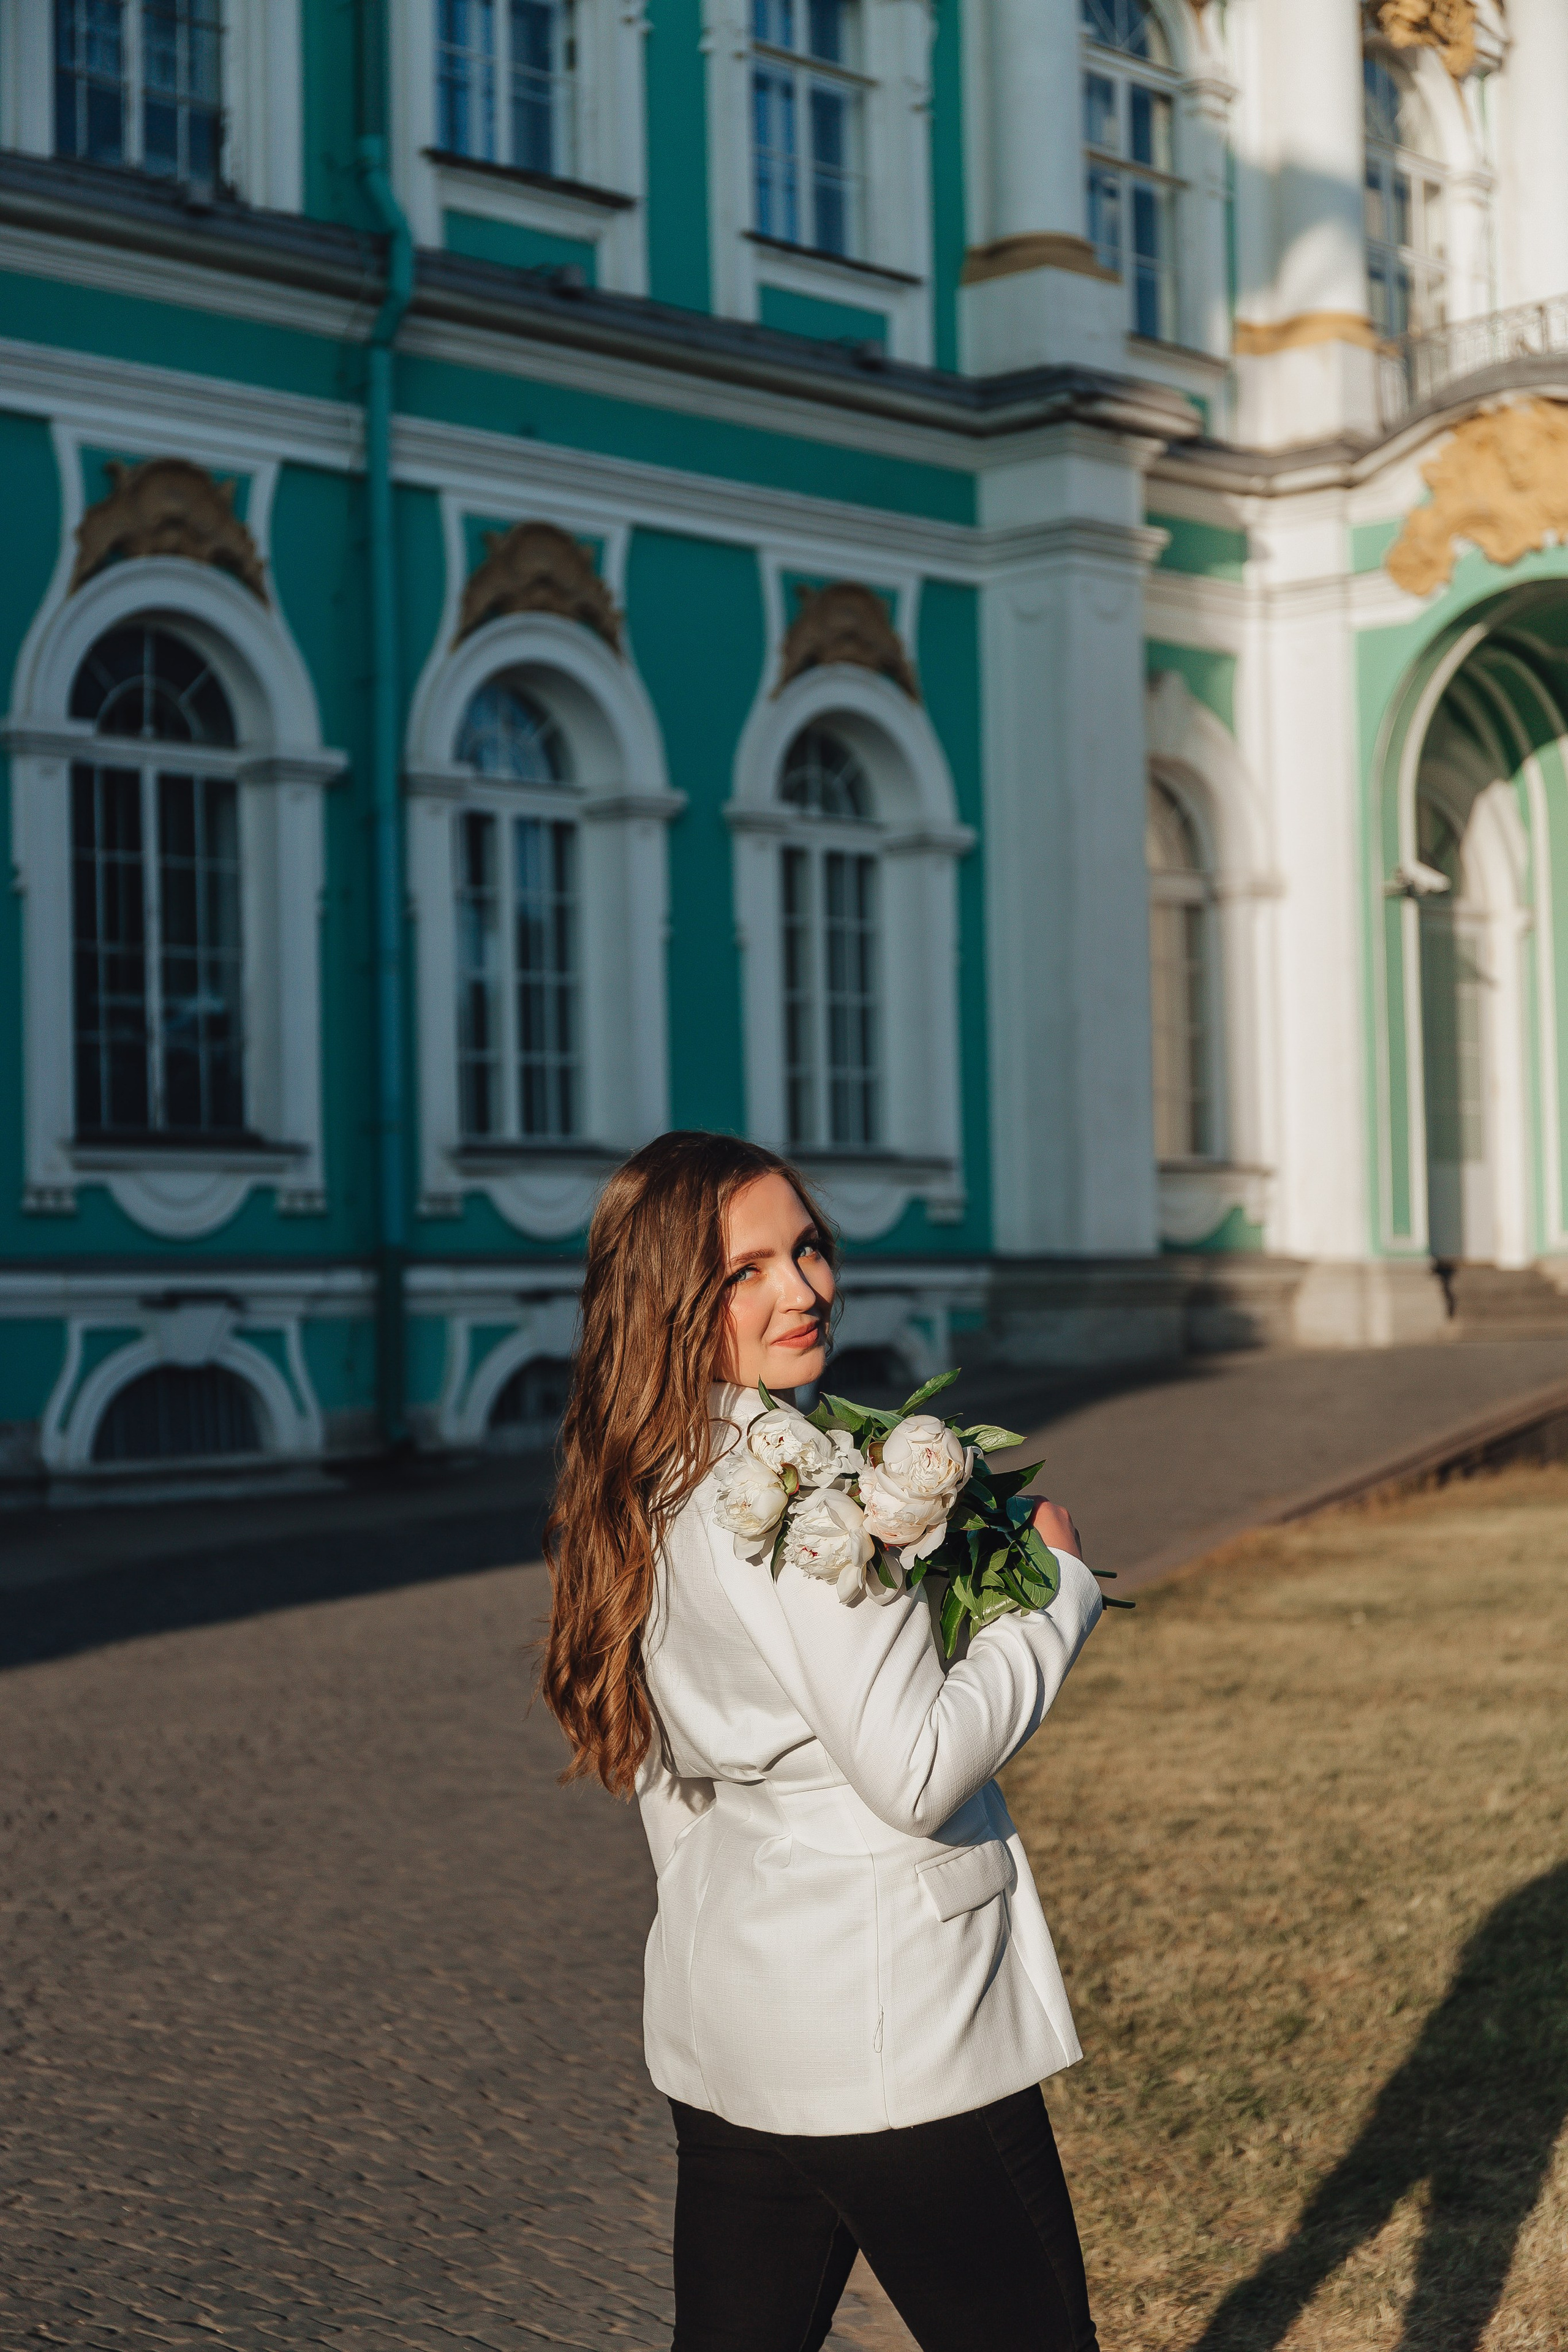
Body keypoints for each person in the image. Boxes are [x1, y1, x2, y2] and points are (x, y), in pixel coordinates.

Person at [541, 1131, 1102, 2352]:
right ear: (666, 1297)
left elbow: (664, 1791)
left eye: (805, 1249)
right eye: (744, 1269)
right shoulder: (800, 1492)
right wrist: (1050, 1600)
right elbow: (911, 1771)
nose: (801, 1288)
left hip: (740, 2018)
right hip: (896, 2030)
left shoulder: (647, 1480)